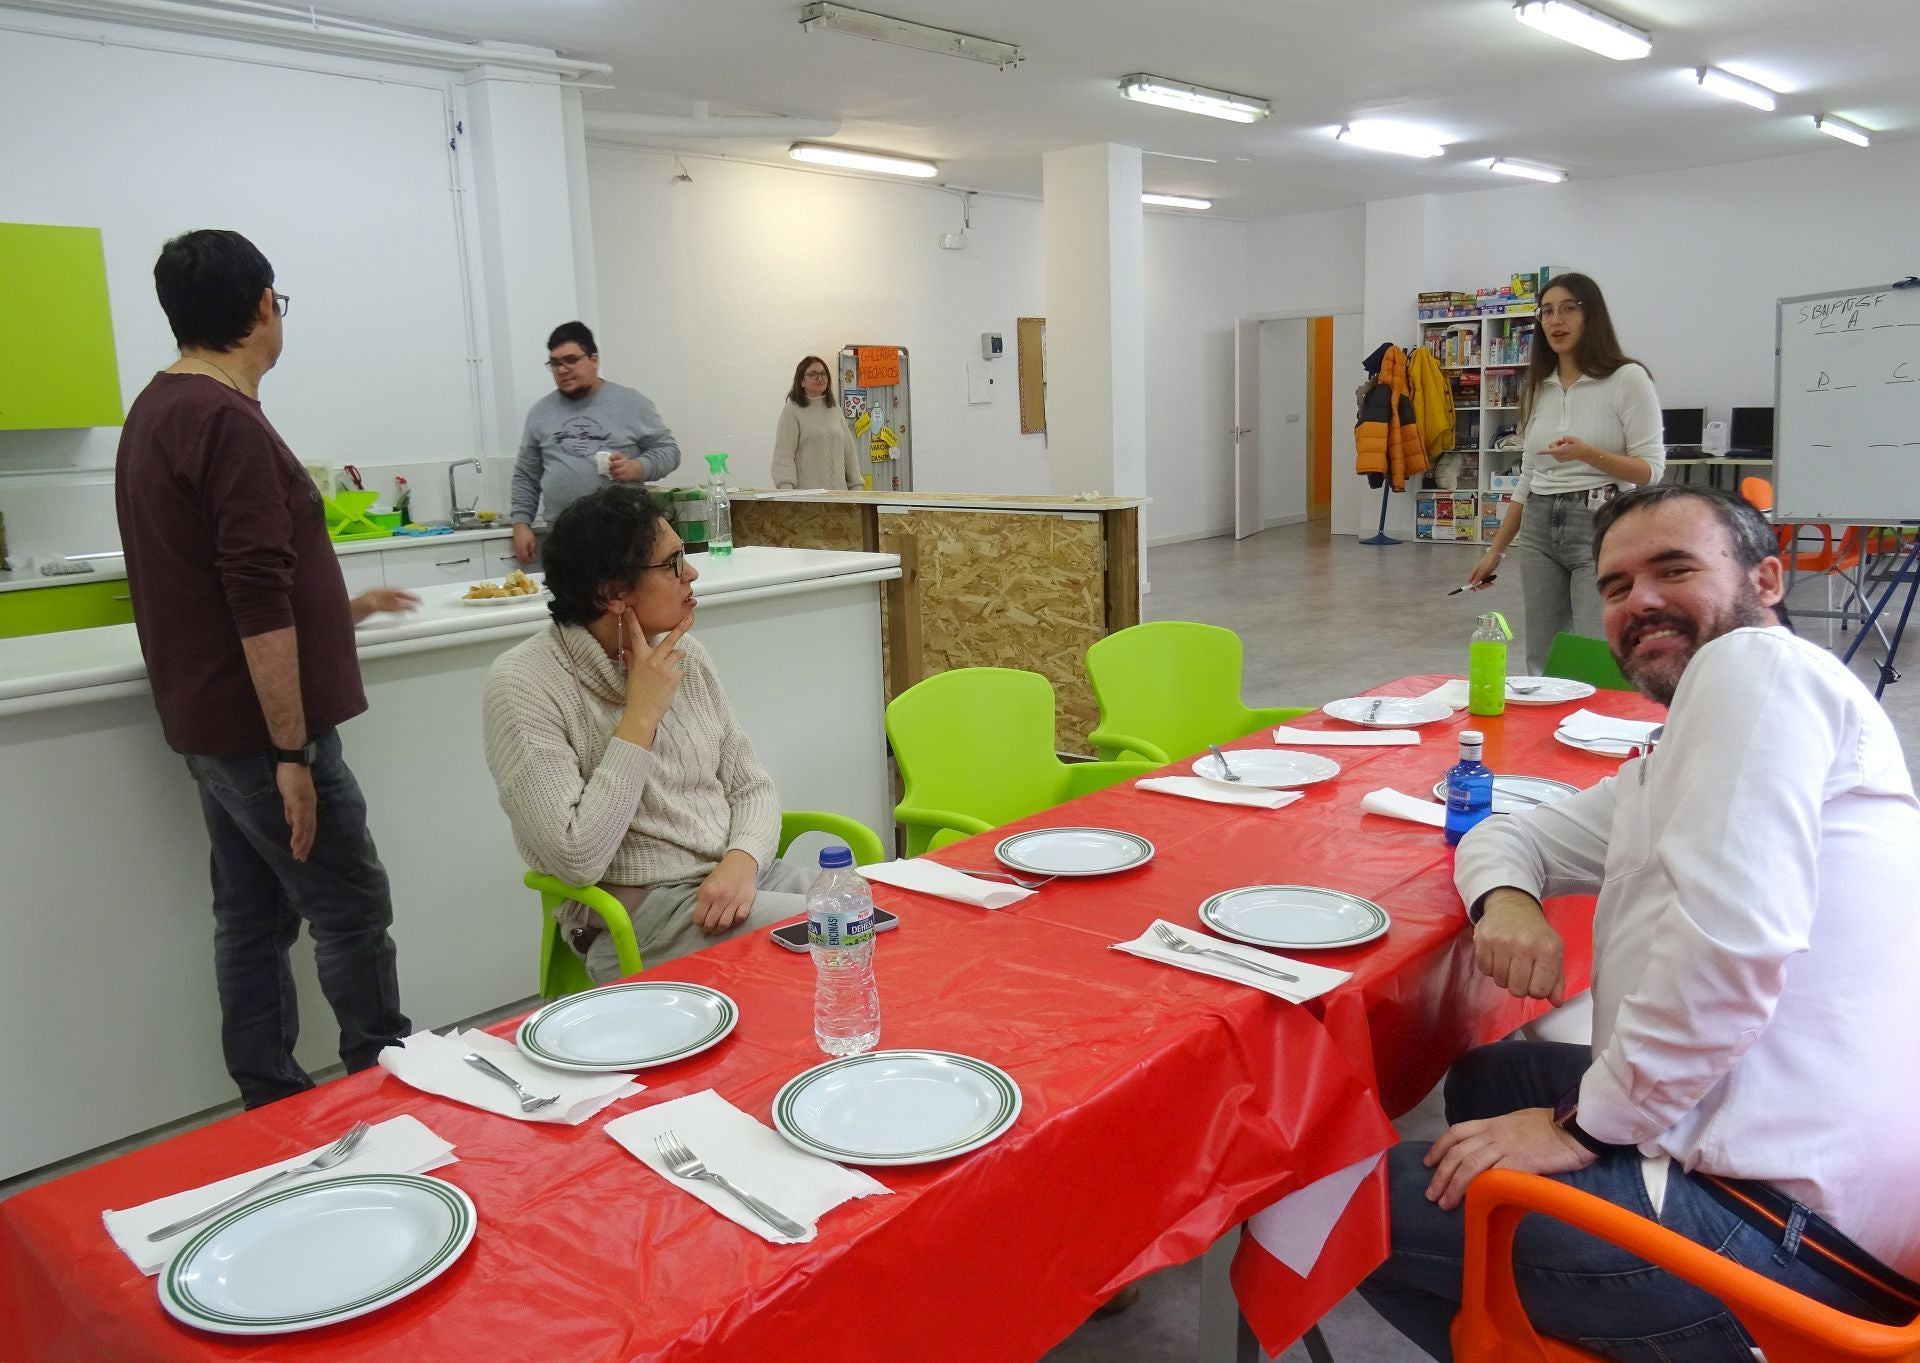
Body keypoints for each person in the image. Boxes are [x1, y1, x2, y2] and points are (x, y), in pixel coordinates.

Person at [1362, 485, 1920, 1361]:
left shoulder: (1757, 670)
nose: (1639, 601)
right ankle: (1520, 1330)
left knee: (1346, 1207)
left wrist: (1581, 1128)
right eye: (1618, 585)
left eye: (1674, 569)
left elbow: (1733, 947)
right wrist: (1508, 896)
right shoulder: (1689, 748)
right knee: (1488, 1080)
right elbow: (1511, 831)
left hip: (1782, 1238)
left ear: (1766, 579)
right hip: (1809, 1183)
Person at [114, 229, 414, 1108]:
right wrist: (293, 755)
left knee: (251, 915)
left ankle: (270, 1102)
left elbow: (218, 579)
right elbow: (251, 592)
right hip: (260, 735)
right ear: (260, 310)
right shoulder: (224, 422)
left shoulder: (159, 410)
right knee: (350, 907)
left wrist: (338, 613)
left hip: (211, 720)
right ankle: (388, 1082)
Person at [483, 485, 816, 983]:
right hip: (643, 918)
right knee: (837, 936)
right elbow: (576, 858)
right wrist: (640, 715)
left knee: (885, 912)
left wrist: (742, 861)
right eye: (673, 563)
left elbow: (752, 786)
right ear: (613, 593)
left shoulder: (687, 654)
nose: (692, 573)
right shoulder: (524, 684)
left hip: (737, 881)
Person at [1466, 273, 1664, 674]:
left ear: (1591, 315)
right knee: (1543, 656)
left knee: (1594, 652)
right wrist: (1495, 550)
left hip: (1600, 522)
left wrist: (1587, 454)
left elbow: (1651, 471)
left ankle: (1594, 733)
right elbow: (1527, 478)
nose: (1557, 321)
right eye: (1547, 312)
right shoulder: (1538, 386)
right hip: (1539, 525)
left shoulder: (1627, 379)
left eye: (1569, 308)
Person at [510, 321, 681, 562]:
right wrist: (520, 523)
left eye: (571, 360)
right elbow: (526, 475)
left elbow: (669, 451)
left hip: (623, 534)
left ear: (594, 359)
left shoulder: (630, 403)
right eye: (555, 363)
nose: (562, 369)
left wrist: (637, 467)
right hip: (563, 537)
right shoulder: (541, 413)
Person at [771, 355, 863, 490]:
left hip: (839, 498)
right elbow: (783, 455)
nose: (820, 378)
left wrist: (856, 486)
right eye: (813, 374)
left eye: (823, 374)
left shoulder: (834, 408)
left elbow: (849, 452)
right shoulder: (792, 410)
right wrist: (786, 491)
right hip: (807, 499)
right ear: (802, 381)